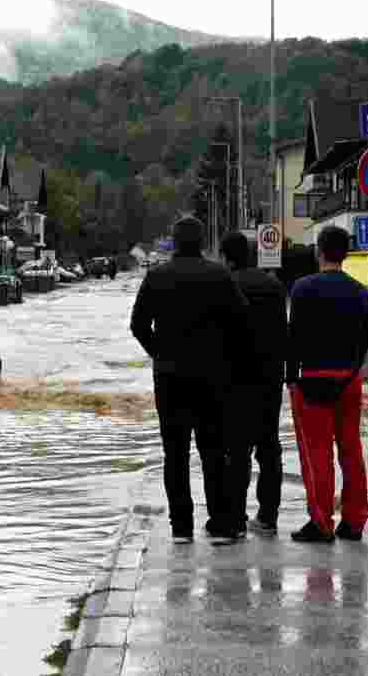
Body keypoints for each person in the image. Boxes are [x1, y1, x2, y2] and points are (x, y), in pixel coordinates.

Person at [131, 215, 250, 544]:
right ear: (200, 243)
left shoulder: (157, 276)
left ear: (174, 241)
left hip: (169, 379)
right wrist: (223, 355)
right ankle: (221, 521)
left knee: (175, 453)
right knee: (213, 451)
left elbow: (138, 325)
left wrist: (159, 353)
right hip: (212, 378)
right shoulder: (220, 275)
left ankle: (181, 527)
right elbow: (241, 322)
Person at [285, 225, 368, 543]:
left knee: (317, 454)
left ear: (319, 251)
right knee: (351, 450)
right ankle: (354, 522)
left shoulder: (302, 288)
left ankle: (321, 523)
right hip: (349, 380)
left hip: (313, 380)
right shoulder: (360, 291)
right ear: (345, 254)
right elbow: (365, 340)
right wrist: (353, 371)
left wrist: (291, 377)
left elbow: (293, 339)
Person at [220, 231, 287, 537]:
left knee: (236, 451)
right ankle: (268, 516)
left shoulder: (226, 285)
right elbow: (284, 332)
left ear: (227, 257)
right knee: (269, 448)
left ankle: (235, 517)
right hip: (269, 379)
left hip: (234, 380)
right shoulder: (273, 285)